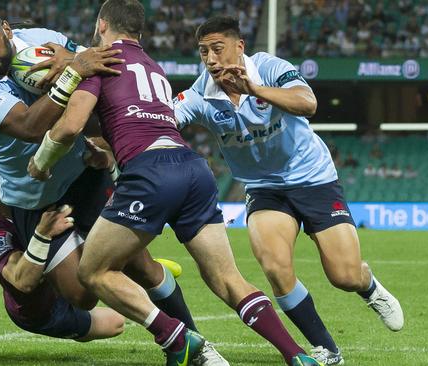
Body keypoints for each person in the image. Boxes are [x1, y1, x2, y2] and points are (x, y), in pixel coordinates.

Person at [28, 2, 320, 365]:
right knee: (228, 279)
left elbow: (70, 126)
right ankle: (298, 356)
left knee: (92, 270)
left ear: (101, 24)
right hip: (193, 169)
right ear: (140, 32)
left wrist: (40, 162)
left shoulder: (96, 61)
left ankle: (176, 337)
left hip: (150, 171)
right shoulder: (154, 67)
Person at [0, 2, 219, 362]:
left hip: (83, 173)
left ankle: (195, 345)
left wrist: (71, 60)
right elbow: (31, 127)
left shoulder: (43, 40)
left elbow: (100, 61)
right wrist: (71, 73)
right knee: (82, 293)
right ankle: (178, 337)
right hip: (34, 197)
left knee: (141, 266)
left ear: (5, 29)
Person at [174, 16, 404, 365]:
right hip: (265, 188)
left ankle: (368, 285)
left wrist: (255, 89)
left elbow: (307, 103)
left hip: (313, 177)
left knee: (344, 275)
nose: (210, 59)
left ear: (240, 47)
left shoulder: (268, 67)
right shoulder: (199, 95)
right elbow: (165, 118)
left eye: (218, 49)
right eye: (204, 51)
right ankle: (327, 349)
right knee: (276, 267)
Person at [0, 150, 124, 341]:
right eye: (5, 176)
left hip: (62, 278)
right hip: (45, 312)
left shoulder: (38, 199)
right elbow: (23, 281)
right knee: (117, 323)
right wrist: (41, 235)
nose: (14, 176)